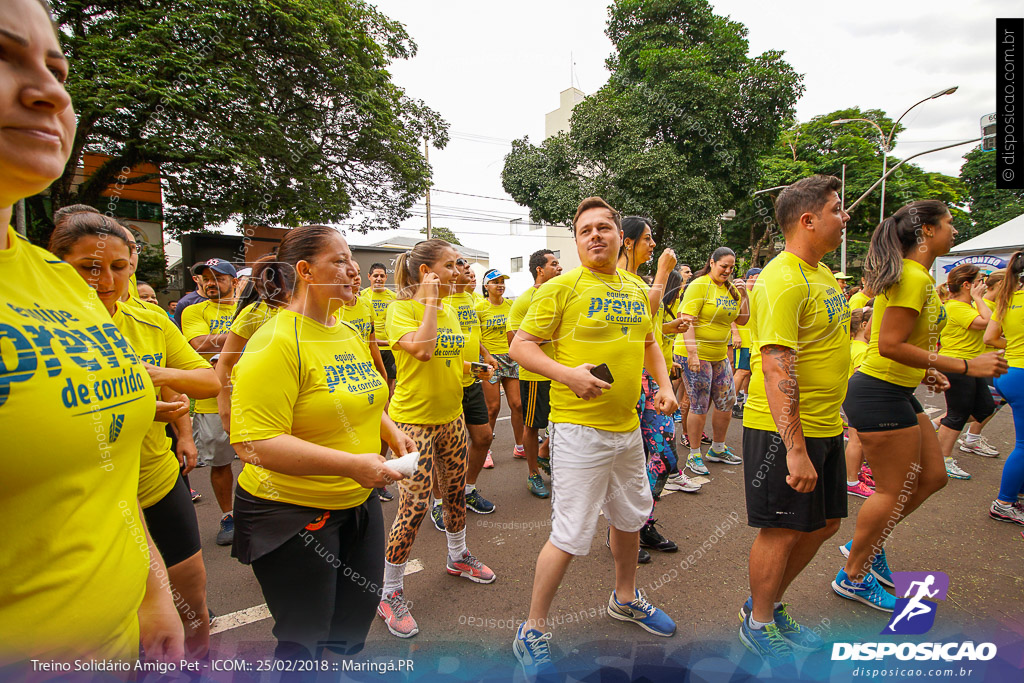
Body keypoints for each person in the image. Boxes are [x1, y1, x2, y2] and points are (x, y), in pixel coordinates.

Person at [0, 0, 183, 664]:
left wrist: (151, 589)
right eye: (2, 53)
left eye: (56, 66)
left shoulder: (53, 280)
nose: (49, 89)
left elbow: (103, 476)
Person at [510, 197, 678, 679]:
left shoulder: (634, 286)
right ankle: (534, 630)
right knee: (569, 533)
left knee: (630, 517)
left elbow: (648, 342)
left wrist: (664, 387)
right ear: (577, 240)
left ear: (619, 237)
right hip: (578, 431)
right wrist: (567, 375)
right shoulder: (560, 288)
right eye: (586, 230)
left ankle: (625, 599)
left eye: (605, 227)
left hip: (627, 428)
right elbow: (520, 346)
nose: (596, 235)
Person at [229, 225, 410, 661]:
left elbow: (362, 398)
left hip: (358, 502)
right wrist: (349, 465)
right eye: (341, 261)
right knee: (305, 638)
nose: (355, 271)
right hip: (291, 512)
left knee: (352, 622)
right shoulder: (274, 341)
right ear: (306, 271)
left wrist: (389, 429)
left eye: (353, 260)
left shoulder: (345, 331)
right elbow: (254, 444)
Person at [49, 211, 221, 657]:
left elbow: (206, 382)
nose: (104, 279)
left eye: (118, 267)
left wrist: (167, 408)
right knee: (104, 625)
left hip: (153, 480)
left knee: (190, 600)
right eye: (89, 267)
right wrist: (137, 404)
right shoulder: (35, 331)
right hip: (77, 498)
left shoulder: (148, 321)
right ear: (55, 266)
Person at [835, 200, 1007, 613]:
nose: (955, 231)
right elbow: (888, 343)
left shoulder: (918, 277)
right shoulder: (911, 277)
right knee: (892, 490)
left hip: (896, 388)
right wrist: (968, 364)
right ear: (926, 231)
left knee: (932, 476)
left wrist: (926, 370)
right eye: (949, 223)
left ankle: (867, 545)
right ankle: (853, 574)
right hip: (877, 391)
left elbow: (895, 342)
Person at [739, 175, 851, 661]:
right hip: (783, 431)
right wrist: (797, 448)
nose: (844, 217)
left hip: (826, 423)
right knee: (781, 529)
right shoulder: (784, 278)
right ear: (808, 220)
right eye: (836, 209)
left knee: (824, 524)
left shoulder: (822, 274)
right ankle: (759, 621)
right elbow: (775, 364)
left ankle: (767, 601)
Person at [379, 239, 496, 639]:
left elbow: (445, 354)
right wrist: (429, 303)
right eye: (450, 265)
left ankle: (458, 555)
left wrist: (472, 365)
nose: (457, 271)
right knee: (413, 506)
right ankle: (390, 591)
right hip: (413, 424)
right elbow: (423, 352)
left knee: (456, 494)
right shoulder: (401, 309)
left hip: (451, 418)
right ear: (426, 272)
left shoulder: (449, 311)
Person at [616, 216, 689, 555]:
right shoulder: (617, 281)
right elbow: (645, 315)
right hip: (623, 380)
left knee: (663, 454)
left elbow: (651, 331)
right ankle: (621, 529)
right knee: (630, 460)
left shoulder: (637, 280)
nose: (654, 245)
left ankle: (643, 524)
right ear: (627, 242)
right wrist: (662, 273)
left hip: (650, 382)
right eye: (647, 238)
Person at [182, 258, 239, 546]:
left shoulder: (251, 309)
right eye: (205, 278)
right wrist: (243, 337)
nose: (210, 283)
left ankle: (264, 512)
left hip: (254, 397)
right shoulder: (193, 311)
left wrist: (223, 340)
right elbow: (199, 344)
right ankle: (228, 516)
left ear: (234, 282)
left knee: (267, 459)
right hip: (212, 401)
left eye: (218, 277)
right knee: (221, 463)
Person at [676, 247, 749, 474]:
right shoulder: (699, 285)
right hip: (694, 352)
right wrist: (693, 355)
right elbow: (685, 320)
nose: (727, 271)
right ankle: (694, 454)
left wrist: (744, 296)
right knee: (699, 404)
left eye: (731, 267)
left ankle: (718, 448)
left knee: (727, 401)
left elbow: (743, 320)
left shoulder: (731, 290)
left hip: (718, 355)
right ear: (712, 263)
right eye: (723, 266)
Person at [508, 249, 563, 498]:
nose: (559, 267)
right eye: (554, 264)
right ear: (540, 270)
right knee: (532, 426)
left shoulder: (560, 294)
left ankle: (544, 453)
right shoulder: (525, 300)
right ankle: (533, 474)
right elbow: (514, 341)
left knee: (564, 421)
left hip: (561, 372)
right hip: (535, 376)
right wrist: (546, 336)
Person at [446, 257, 498, 511]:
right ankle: (440, 502)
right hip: (448, 384)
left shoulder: (470, 299)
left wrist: (485, 353)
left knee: (484, 437)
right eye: (459, 264)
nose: (467, 268)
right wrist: (480, 367)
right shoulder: (440, 302)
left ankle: (468, 489)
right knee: (446, 451)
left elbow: (471, 333)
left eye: (467, 264)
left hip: (471, 381)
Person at [935, 264, 996, 480]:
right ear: (967, 284)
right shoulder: (955, 307)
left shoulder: (966, 305)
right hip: (956, 363)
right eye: (980, 280)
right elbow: (987, 323)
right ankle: (942, 459)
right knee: (958, 413)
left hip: (971, 364)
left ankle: (936, 426)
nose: (983, 284)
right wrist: (980, 299)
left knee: (986, 407)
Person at [984, 251, 1024, 525]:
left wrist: (1016, 346)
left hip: (1008, 371)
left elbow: (990, 337)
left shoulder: (1007, 298)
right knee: (1023, 444)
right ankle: (1004, 502)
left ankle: (1016, 492)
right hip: (1020, 374)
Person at [477, 268, 526, 458]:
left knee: (517, 404)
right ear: (486, 286)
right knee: (493, 408)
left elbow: (518, 330)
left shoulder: (511, 305)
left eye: (502, 281)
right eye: (495, 282)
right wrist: (486, 355)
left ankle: (520, 447)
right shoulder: (480, 308)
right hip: (490, 360)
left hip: (510, 358)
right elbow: (475, 337)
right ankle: (485, 451)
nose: (500, 285)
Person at [959, 268, 1008, 456]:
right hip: (985, 363)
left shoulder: (993, 305)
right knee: (972, 409)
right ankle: (933, 426)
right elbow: (990, 337)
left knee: (993, 404)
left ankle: (972, 438)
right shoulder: (986, 306)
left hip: (994, 363)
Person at [845, 307, 875, 499]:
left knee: (861, 439)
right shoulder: (862, 350)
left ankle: (856, 473)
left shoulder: (854, 346)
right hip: (860, 398)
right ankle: (851, 481)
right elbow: (861, 376)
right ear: (864, 325)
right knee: (857, 440)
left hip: (854, 397)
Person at [363, 262, 398, 396]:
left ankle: (390, 414)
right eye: (375, 275)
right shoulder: (362, 295)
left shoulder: (393, 297)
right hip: (370, 347)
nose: (379, 278)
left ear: (386, 278)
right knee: (373, 385)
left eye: (382, 276)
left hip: (389, 348)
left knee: (390, 385)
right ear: (369, 277)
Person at [731, 267, 762, 419]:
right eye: (757, 276)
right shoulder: (740, 293)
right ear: (750, 277)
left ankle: (746, 402)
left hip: (754, 340)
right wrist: (735, 334)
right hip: (743, 340)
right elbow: (731, 315)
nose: (759, 279)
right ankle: (731, 404)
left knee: (749, 372)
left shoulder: (756, 294)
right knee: (741, 371)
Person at [174, 263, 209, 329]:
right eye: (205, 277)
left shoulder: (226, 299)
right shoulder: (186, 303)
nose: (211, 281)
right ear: (196, 279)